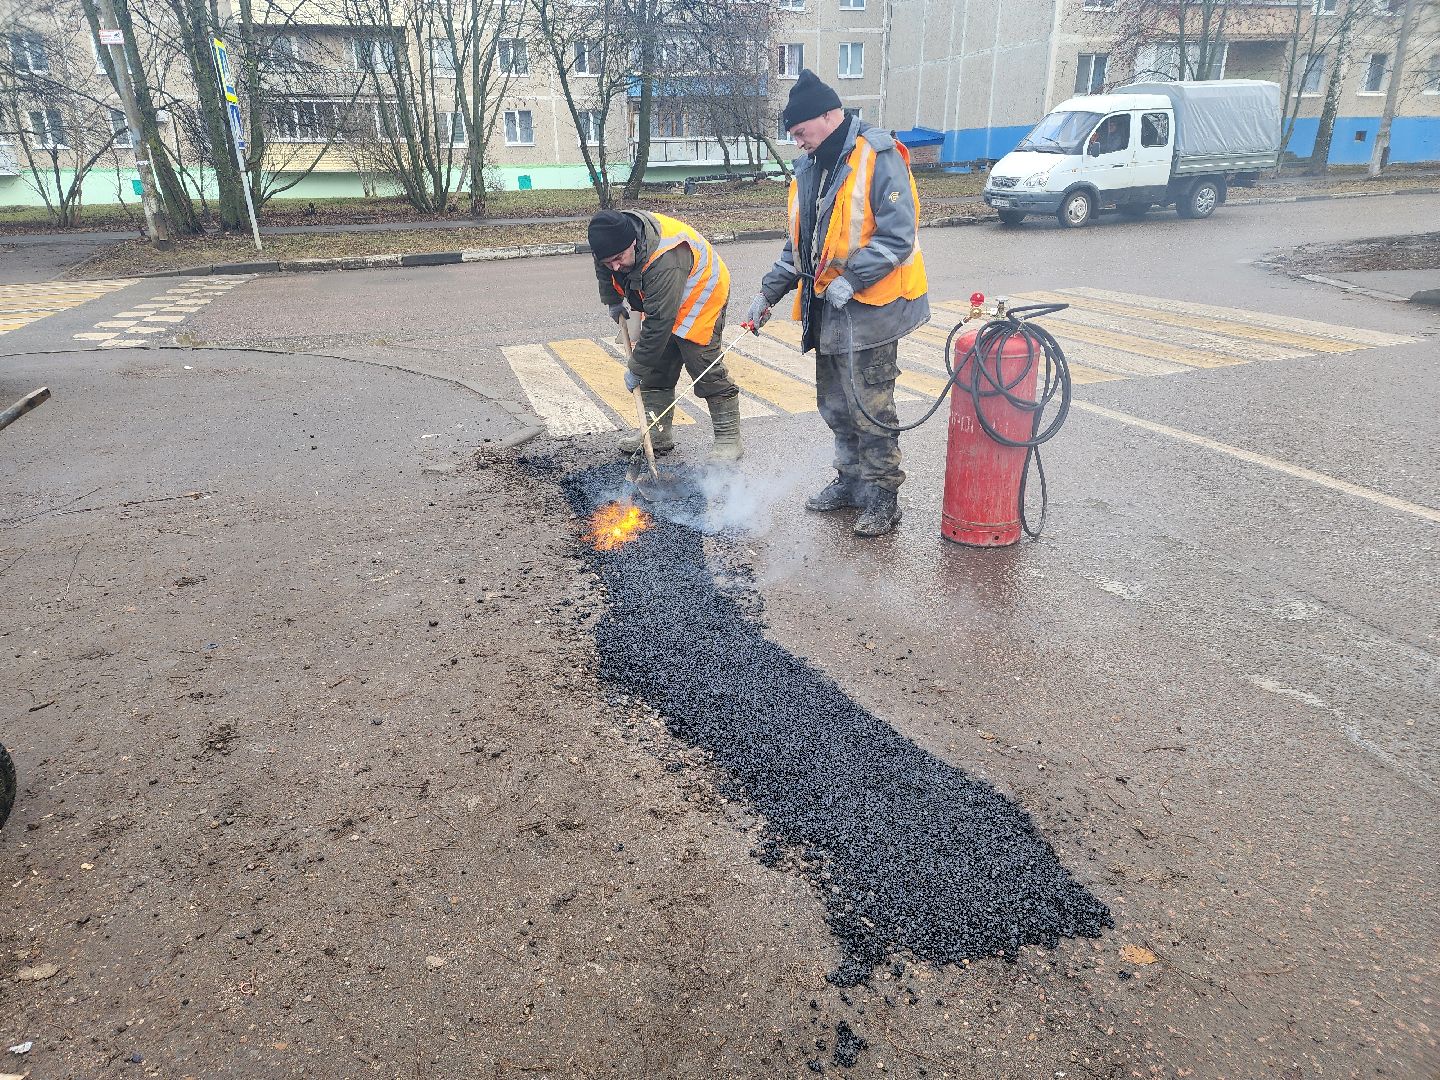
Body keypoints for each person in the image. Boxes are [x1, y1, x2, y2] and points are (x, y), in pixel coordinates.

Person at [746, 69, 929, 537]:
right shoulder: (810, 167)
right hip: (829, 309)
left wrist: (853, 278)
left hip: (874, 307)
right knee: (835, 404)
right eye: (792, 137)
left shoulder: (878, 155)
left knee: (870, 404)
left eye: (801, 133)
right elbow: (800, 246)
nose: (797, 144)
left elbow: (898, 236)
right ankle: (850, 483)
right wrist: (767, 294)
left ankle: (883, 497)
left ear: (829, 117)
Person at [588, 209, 743, 463]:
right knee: (658, 365)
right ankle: (658, 434)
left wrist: (636, 368)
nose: (615, 265)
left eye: (619, 258)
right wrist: (612, 301)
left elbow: (659, 322)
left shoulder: (665, 257)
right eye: (608, 261)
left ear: (634, 243)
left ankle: (728, 438)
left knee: (701, 361)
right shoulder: (609, 241)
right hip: (662, 295)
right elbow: (606, 270)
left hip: (699, 295)